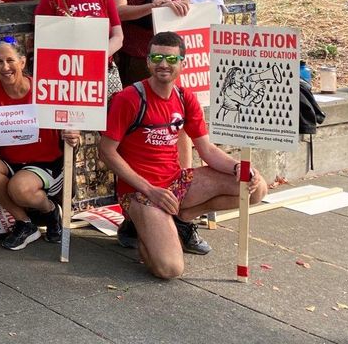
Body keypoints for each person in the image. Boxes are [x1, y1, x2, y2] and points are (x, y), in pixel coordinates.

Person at [100, 32, 267, 279]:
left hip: (176, 182)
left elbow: (207, 150)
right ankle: (143, 227)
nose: (163, 64)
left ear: (182, 63)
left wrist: (238, 168)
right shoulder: (130, 98)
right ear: (147, 62)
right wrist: (150, 190)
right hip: (140, 191)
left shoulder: (184, 97)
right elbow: (106, 152)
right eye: (156, 57)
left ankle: (183, 216)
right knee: (170, 269)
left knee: (256, 188)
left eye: (170, 59)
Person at [0, 38, 81, 250]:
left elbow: (71, 127)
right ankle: (25, 223)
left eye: (10, 60)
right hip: (11, 162)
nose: (5, 67)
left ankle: (50, 210)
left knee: (19, 187)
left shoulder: (45, 88)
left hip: (47, 163)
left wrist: (74, 135)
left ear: (22, 62)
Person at [102, 0, 198, 86]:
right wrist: (153, 7)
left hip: (173, 55)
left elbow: (185, 0)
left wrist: (176, 5)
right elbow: (117, 11)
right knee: (138, 105)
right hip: (137, 57)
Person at [35, 0, 124, 95]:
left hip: (104, 71)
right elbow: (43, 43)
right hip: (69, 77)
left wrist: (98, 57)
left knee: (111, 116)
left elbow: (118, 36)